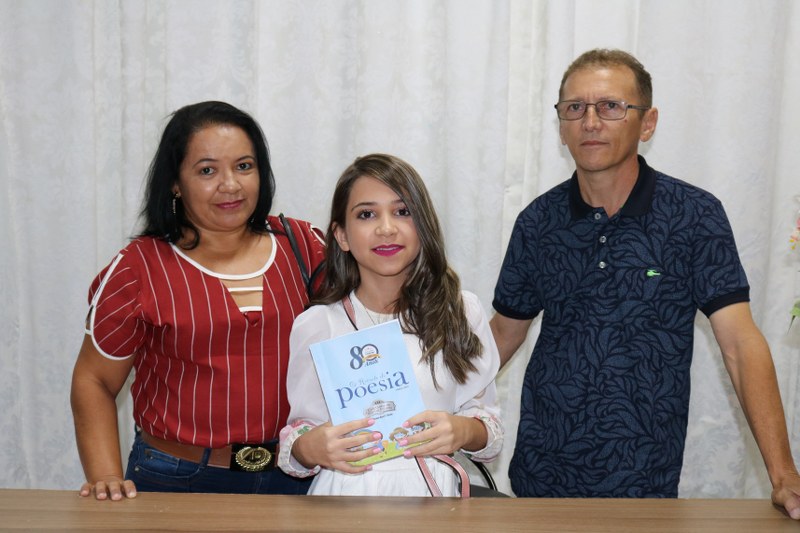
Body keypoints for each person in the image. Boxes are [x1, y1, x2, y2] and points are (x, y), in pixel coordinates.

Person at [491, 49, 800, 516]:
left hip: (644, 485)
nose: (590, 121)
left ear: (647, 123)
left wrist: (784, 474)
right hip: (542, 480)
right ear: (561, 125)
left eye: (610, 106)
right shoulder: (537, 222)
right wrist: (418, 408)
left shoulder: (694, 215)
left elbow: (740, 343)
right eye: (575, 108)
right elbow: (501, 336)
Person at [70, 101, 325, 500]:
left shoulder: (306, 246)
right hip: (177, 478)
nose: (231, 185)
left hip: (297, 476)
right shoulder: (138, 269)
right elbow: (94, 380)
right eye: (207, 171)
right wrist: (105, 476)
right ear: (175, 182)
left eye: (244, 166)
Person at [277, 153, 503, 496]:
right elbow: (300, 434)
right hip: (343, 499)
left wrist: (461, 431)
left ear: (423, 226)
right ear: (341, 236)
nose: (386, 228)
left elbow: (488, 429)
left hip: (434, 501)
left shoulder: (460, 310)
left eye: (402, 211)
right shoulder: (317, 324)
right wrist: (310, 448)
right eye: (366, 214)